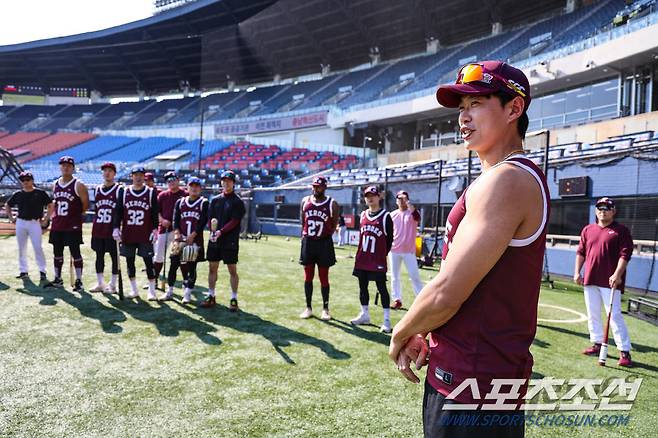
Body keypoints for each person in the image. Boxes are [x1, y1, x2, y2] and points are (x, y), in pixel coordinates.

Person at [389, 61, 549, 437]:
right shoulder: (501, 177)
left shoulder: (508, 180)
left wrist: (401, 333)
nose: (463, 117)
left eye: (477, 104)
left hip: (473, 387)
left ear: (514, 109)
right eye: (461, 108)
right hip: (476, 379)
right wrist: (428, 331)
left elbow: (448, 292)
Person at [574, 197, 633, 367]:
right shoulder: (588, 229)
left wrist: (617, 274)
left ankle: (624, 351)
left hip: (610, 282)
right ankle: (597, 343)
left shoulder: (621, 231)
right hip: (590, 279)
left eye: (607, 208)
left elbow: (625, 255)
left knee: (614, 316)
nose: (603, 210)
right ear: (595, 210)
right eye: (600, 207)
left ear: (613, 211)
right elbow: (581, 252)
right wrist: (577, 272)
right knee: (593, 314)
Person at [350, 186, 394, 333]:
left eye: (373, 196)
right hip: (362, 258)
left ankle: (386, 320)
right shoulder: (362, 215)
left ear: (379, 197)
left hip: (377, 260)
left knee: (382, 288)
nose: (370, 198)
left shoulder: (386, 216)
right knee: (362, 287)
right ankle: (365, 314)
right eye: (367, 196)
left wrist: (381, 255)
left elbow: (389, 240)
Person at [113, 166, 159, 300]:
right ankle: (134, 290)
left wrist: (155, 229)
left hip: (145, 233)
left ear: (144, 176)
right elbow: (119, 211)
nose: (138, 177)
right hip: (129, 233)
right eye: (135, 175)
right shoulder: (124, 192)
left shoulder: (150, 193)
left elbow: (154, 213)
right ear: (131, 176)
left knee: (148, 262)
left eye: (141, 175)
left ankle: (152, 290)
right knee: (129, 262)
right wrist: (116, 227)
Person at [203, 170, 245, 310]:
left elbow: (234, 221)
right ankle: (211, 295)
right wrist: (213, 231)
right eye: (224, 180)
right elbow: (210, 219)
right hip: (215, 239)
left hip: (229, 240)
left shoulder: (237, 201)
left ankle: (234, 298)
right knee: (212, 268)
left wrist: (221, 231)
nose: (226, 183)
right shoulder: (215, 200)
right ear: (221, 182)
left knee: (232, 270)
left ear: (233, 183)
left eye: (229, 181)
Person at [298, 176, 339, 321]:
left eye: (319, 186)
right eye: (314, 186)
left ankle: (325, 309)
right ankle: (308, 307)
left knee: (323, 277)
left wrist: (325, 235)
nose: (316, 189)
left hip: (324, 243)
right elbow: (303, 221)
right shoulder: (305, 201)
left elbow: (334, 224)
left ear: (325, 187)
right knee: (308, 276)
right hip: (308, 242)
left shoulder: (332, 203)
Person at [46, 156, 89, 291]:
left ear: (73, 168)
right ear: (60, 167)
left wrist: (75, 216)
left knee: (75, 252)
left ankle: (79, 281)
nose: (65, 167)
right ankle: (58, 279)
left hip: (72, 225)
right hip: (58, 224)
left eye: (68, 165)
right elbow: (55, 203)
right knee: (57, 252)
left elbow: (85, 205)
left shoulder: (79, 185)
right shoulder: (55, 184)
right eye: (63, 165)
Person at [162, 177, 208, 303]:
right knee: (173, 265)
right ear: (187, 187)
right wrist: (177, 233)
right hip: (180, 239)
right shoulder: (180, 202)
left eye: (197, 186)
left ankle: (187, 293)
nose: (194, 188)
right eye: (192, 186)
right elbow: (175, 219)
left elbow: (203, 221)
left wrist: (193, 235)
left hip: (194, 240)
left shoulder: (203, 202)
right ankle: (169, 291)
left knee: (191, 267)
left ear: (200, 188)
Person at [5, 171, 51, 283]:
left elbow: (50, 204)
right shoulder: (18, 194)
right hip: (21, 222)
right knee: (22, 248)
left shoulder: (40, 193)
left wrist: (46, 218)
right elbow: (8, 204)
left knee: (37, 247)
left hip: (34, 222)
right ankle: (23, 271)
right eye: (23, 180)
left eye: (27, 180)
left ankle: (42, 271)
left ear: (32, 180)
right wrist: (11, 217)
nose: (25, 182)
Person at [389, 190, 425, 309]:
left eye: (403, 198)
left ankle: (421, 300)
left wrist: (407, 202)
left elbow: (417, 217)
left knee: (414, 276)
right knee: (395, 277)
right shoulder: (392, 214)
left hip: (409, 251)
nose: (401, 201)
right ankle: (397, 299)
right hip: (394, 250)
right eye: (399, 198)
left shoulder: (412, 213)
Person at [90, 162, 121, 294]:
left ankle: (113, 284)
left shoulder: (119, 189)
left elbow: (121, 211)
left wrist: (118, 227)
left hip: (112, 229)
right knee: (99, 256)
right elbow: (96, 209)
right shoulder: (97, 189)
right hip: (98, 228)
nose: (107, 173)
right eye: (105, 171)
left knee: (115, 257)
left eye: (110, 171)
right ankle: (100, 283)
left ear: (114, 173)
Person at [153, 171, 187, 288]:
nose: (171, 182)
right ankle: (154, 279)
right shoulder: (162, 195)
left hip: (180, 230)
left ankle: (186, 281)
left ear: (178, 180)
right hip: (164, 229)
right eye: (168, 181)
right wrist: (162, 220)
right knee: (158, 255)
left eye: (173, 180)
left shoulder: (185, 194)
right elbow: (156, 212)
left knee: (182, 256)